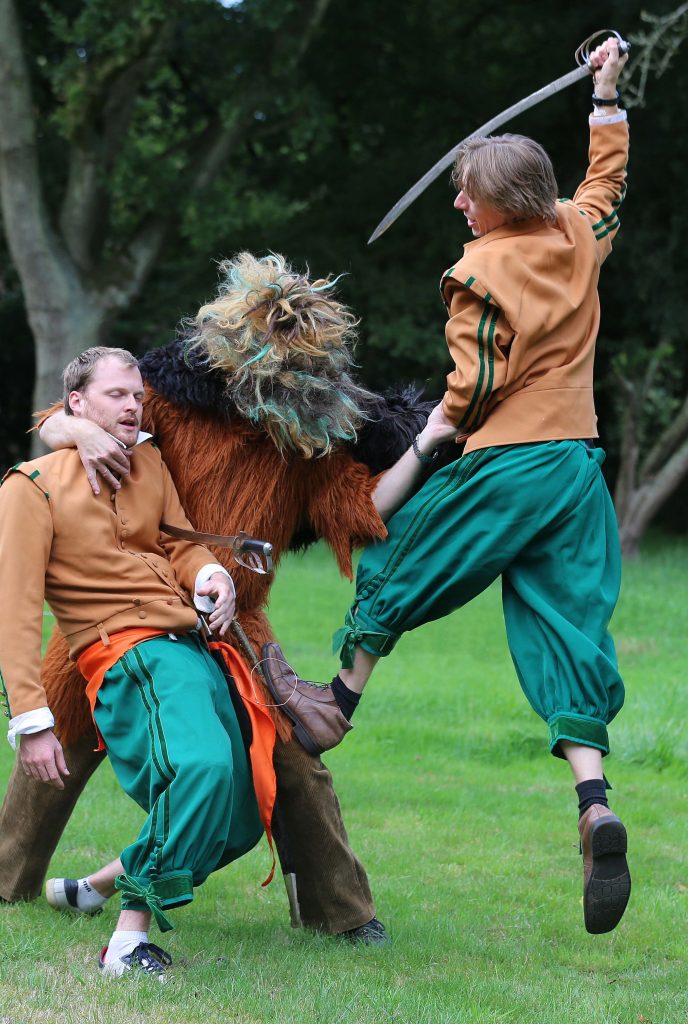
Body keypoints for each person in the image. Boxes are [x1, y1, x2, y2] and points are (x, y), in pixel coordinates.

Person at [0, 253, 452, 943]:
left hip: (238, 616)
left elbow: (361, 507)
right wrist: (81, 430)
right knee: (58, 719)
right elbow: (61, 423)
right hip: (122, 604)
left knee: (291, 751)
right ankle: (2, 878)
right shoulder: (170, 401)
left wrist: (427, 445)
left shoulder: (310, 441)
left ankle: (341, 913)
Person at [261, 39, 632, 935]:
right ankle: (593, 801)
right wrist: (607, 96)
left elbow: (472, 386)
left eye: (468, 193)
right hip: (581, 471)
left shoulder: (480, 278)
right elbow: (605, 187)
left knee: (393, 558)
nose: (458, 203)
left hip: (510, 462)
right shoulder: (578, 236)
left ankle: (337, 708)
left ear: (501, 205)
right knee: (565, 627)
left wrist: (441, 435)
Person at [0, 346, 272, 977]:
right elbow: (15, 611)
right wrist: (31, 722)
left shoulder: (150, 464)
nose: (134, 405)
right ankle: (126, 944)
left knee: (244, 809)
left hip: (193, 648)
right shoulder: (28, 488)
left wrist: (212, 574)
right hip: (127, 656)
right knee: (196, 769)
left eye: (138, 395)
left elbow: (176, 542)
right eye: (117, 394)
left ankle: (99, 885)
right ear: (77, 403)